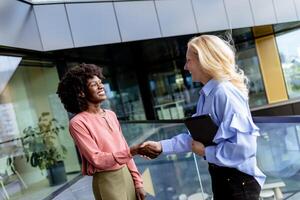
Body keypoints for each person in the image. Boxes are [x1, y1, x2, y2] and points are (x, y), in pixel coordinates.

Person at [140, 35, 266, 200]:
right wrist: (161, 146)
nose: (185, 67)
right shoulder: (207, 95)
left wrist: (206, 152)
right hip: (224, 179)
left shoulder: (224, 93)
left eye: (189, 60)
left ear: (204, 61)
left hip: (238, 182)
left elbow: (243, 148)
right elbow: (195, 139)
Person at [57, 63, 146, 200]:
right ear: (81, 92)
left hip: (127, 175)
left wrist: (138, 181)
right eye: (94, 84)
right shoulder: (78, 123)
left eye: (100, 82)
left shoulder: (110, 114)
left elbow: (124, 149)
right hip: (107, 181)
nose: (101, 86)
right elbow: (97, 159)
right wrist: (132, 151)